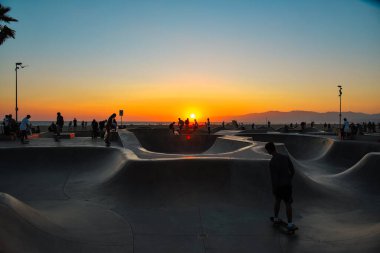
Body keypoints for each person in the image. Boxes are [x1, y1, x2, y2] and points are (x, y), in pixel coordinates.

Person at [265, 142, 296, 231]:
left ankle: (275, 218)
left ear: (269, 150)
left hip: (278, 186)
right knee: (288, 203)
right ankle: (290, 224)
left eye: (267, 151)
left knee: (277, 201)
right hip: (287, 185)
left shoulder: (272, 162)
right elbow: (293, 171)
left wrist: (274, 189)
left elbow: (273, 178)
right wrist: (289, 179)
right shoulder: (285, 157)